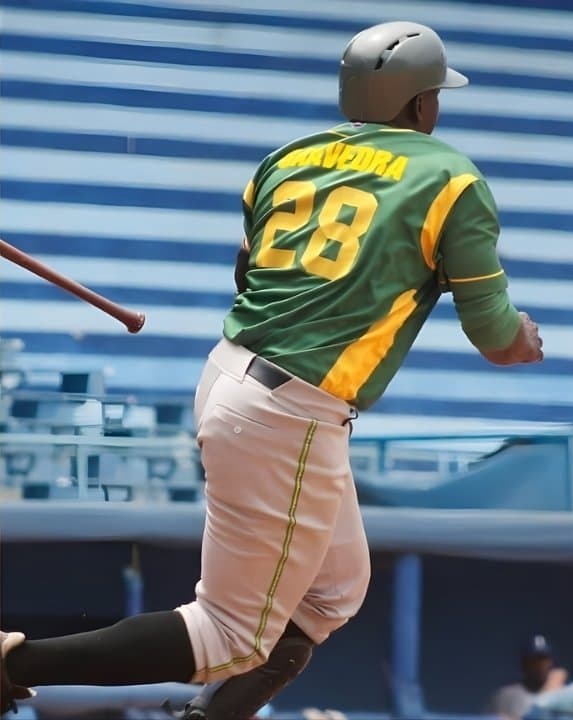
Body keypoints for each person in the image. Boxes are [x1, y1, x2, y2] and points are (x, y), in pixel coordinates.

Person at [0, 21, 545, 719]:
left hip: (235, 374)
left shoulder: (285, 158)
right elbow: (497, 339)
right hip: (291, 409)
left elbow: (249, 273)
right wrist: (525, 338)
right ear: (419, 107)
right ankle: (16, 661)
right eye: (435, 94)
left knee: (332, 591)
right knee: (230, 636)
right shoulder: (454, 180)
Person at [489, 635, 569, 720]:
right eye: (534, 661)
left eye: (543, 660)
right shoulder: (505, 696)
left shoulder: (564, 697)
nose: (540, 666)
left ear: (551, 663)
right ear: (525, 664)